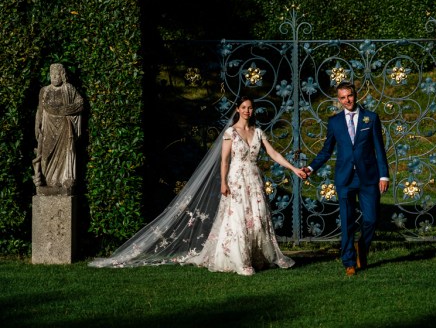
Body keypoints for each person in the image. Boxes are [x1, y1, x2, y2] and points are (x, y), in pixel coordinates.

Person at [90, 96, 306, 276]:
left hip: (254, 180)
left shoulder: (258, 132)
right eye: (243, 107)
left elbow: (273, 153)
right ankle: (241, 262)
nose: (247, 110)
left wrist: (294, 169)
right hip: (236, 181)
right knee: (238, 220)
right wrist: (223, 182)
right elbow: (224, 161)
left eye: (250, 108)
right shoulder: (231, 133)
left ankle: (257, 257)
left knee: (257, 220)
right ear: (237, 110)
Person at [302, 81, 389, 276]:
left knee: (371, 219)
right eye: (342, 97)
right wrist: (310, 167)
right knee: (347, 220)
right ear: (338, 99)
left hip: (369, 177)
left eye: (349, 95)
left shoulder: (371, 118)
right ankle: (349, 260)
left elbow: (379, 149)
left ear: (355, 95)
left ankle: (361, 247)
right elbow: (327, 150)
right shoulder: (334, 122)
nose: (347, 100)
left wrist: (384, 175)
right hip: (345, 178)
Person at [33, 63, 84, 192]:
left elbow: (80, 104)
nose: (54, 77)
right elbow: (40, 109)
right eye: (52, 75)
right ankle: (46, 181)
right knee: (45, 155)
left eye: (57, 75)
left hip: (64, 128)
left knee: (65, 154)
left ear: (62, 76)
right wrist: (37, 125)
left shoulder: (69, 89)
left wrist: (63, 110)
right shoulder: (44, 91)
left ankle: (63, 182)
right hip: (48, 128)